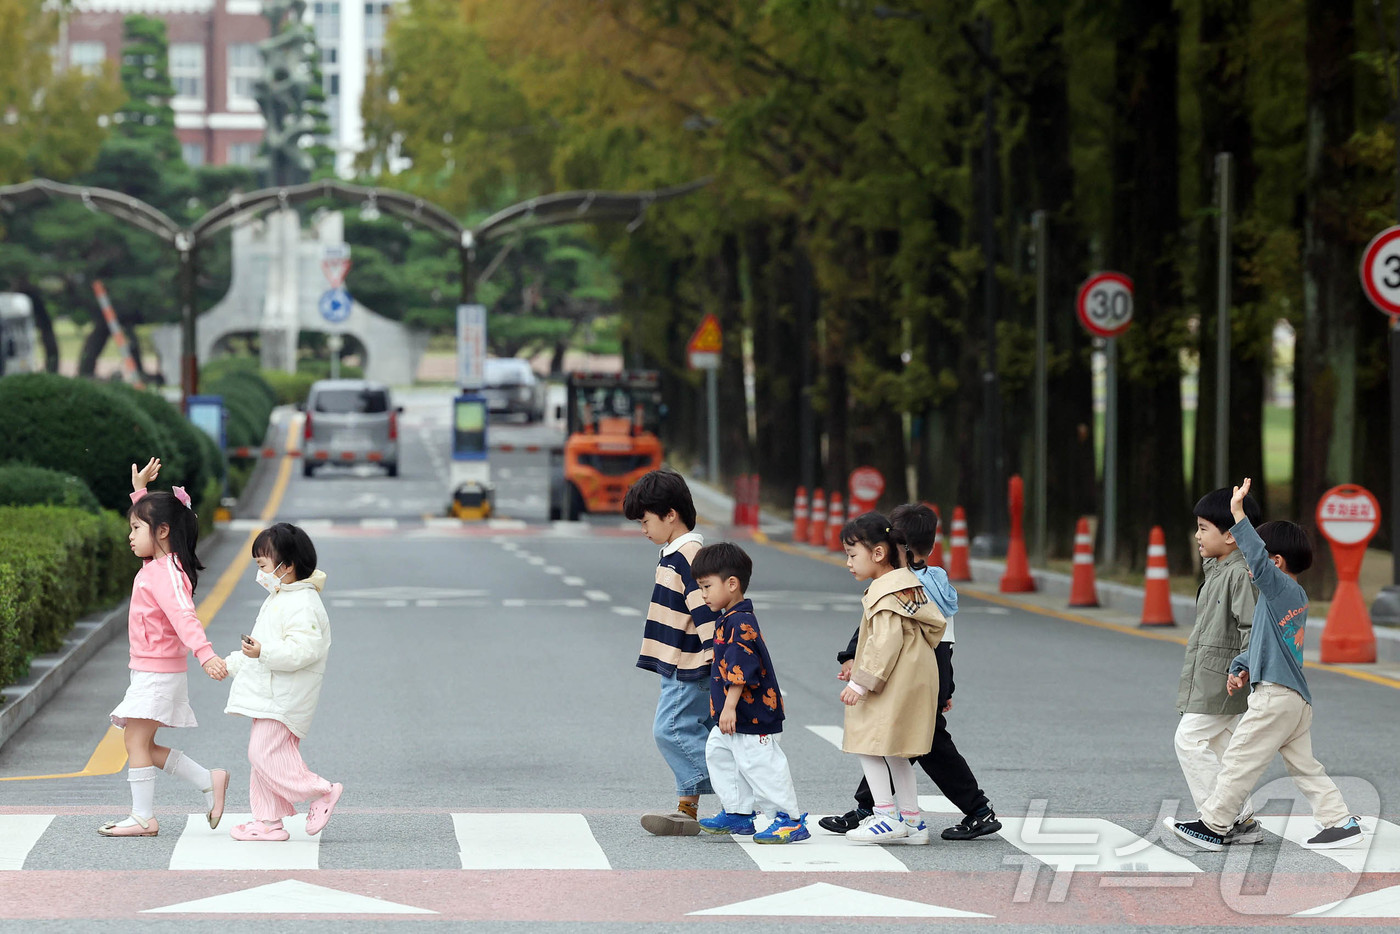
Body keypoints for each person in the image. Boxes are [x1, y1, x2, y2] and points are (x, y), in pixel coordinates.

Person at [1167, 478, 1363, 852]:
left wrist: (1238, 514)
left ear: (1274, 562)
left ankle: (1214, 824)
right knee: (1305, 767)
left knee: (1239, 761)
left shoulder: (1277, 587)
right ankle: (1339, 821)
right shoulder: (1290, 599)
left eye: (1257, 557)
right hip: (1294, 698)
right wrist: (1240, 665)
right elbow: (1262, 641)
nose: (1249, 562)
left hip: (1273, 697)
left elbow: (1254, 557)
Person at [820, 502, 1000, 842]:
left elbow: (883, 635)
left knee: (894, 741)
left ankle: (892, 813)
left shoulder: (894, 586)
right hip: (931, 666)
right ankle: (894, 814)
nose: (849, 562)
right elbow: (940, 633)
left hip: (905, 673)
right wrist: (945, 685)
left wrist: (859, 677)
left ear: (887, 549)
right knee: (900, 744)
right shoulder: (932, 581)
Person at [99, 457, 229, 838]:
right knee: (142, 742)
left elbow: (185, 616)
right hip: (149, 669)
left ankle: (144, 816)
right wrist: (139, 493)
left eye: (137, 528)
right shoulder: (158, 566)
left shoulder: (167, 573)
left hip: (158, 672)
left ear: (163, 531)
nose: (130, 535)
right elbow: (156, 529)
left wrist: (205, 654)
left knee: (134, 739)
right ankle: (209, 780)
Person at [223, 523, 342, 841]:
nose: (260, 572)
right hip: (273, 693)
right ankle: (267, 822)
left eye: (263, 565)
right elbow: (260, 647)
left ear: (286, 566)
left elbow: (304, 650)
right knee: (265, 757)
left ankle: (322, 791)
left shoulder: (302, 603)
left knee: (263, 753)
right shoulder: (282, 596)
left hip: (285, 696)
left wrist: (262, 652)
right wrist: (231, 664)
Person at [837, 513, 948, 845]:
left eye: (852, 555)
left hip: (892, 678)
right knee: (896, 752)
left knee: (866, 743)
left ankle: (885, 816)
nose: (848, 563)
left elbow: (884, 643)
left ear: (878, 554)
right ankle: (912, 822)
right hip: (911, 676)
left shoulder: (885, 594)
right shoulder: (906, 586)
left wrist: (859, 683)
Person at [692, 543, 809, 844]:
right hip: (732, 715)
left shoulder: (740, 621)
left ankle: (789, 819)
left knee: (761, 764)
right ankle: (739, 812)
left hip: (750, 714)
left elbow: (741, 670)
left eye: (706, 586)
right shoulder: (728, 618)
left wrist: (729, 707)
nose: (703, 594)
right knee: (719, 753)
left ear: (732, 584)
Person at [624, 469, 719, 836]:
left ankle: (741, 795)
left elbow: (706, 611)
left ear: (670, 515)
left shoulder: (688, 556)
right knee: (703, 732)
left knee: (671, 730)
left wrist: (717, 658)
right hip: (677, 664)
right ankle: (687, 810)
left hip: (691, 665)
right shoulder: (673, 553)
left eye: (645, 521)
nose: (643, 529)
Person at [1174, 487, 1262, 844]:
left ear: (1230, 535)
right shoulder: (1220, 568)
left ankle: (1217, 817)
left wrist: (1243, 670)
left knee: (1190, 740)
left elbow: (1252, 627)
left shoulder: (1239, 575)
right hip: (1215, 676)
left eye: (1204, 527)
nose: (1197, 535)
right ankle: (1240, 818)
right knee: (1222, 746)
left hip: (1225, 678)